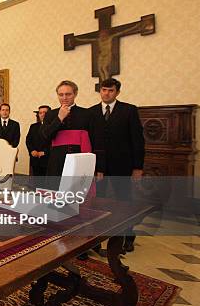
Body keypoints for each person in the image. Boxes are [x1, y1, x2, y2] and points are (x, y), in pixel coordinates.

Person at [90, 78, 144, 252]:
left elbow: (137, 140)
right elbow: (91, 142)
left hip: (123, 167)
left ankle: (127, 237)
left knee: (124, 202)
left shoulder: (128, 110)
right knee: (98, 204)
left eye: (110, 90)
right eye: (104, 90)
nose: (106, 93)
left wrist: (138, 167)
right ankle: (96, 239)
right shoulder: (91, 112)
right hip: (99, 169)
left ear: (117, 92)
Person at [40, 80, 95, 180]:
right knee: (56, 192)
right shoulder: (51, 114)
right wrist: (59, 118)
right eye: (61, 94)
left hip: (80, 161)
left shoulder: (86, 114)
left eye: (68, 94)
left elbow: (94, 140)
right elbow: (45, 137)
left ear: (75, 94)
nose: (64, 98)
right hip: (56, 161)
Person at [26, 105, 51, 182]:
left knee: (48, 182)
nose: (42, 114)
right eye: (40, 113)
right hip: (35, 158)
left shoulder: (54, 126)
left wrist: (44, 152)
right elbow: (28, 140)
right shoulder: (33, 126)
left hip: (48, 159)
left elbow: (54, 142)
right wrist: (32, 150)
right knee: (36, 182)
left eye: (45, 112)